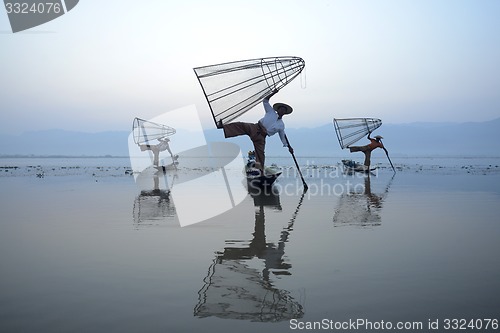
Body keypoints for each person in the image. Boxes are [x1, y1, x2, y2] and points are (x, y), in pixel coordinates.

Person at [221, 90, 294, 174]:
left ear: (284, 112)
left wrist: (289, 147)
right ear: (278, 109)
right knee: (241, 125)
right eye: (281, 109)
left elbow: (283, 137)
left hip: (262, 137)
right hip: (255, 127)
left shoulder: (281, 125)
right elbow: (265, 101)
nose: (282, 111)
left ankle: (260, 171)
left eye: (283, 110)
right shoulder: (271, 112)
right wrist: (273, 93)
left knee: (260, 155)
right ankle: (223, 127)